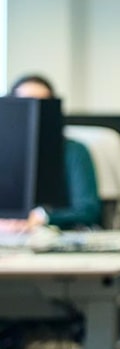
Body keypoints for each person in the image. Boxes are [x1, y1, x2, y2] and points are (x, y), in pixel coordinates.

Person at [0, 74, 102, 231]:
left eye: (44, 104)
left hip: (56, 236)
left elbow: (87, 210)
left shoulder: (74, 151)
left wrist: (42, 217)